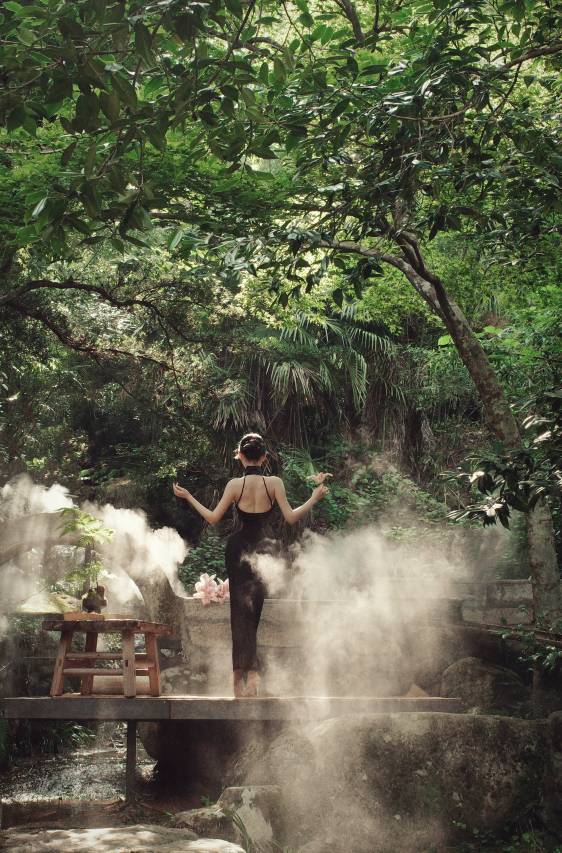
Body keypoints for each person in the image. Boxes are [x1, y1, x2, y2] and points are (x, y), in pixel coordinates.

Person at [172, 433, 330, 698]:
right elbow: (291, 517)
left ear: (240, 456)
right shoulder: (274, 483)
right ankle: (253, 676)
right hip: (265, 548)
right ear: (265, 457)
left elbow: (212, 518)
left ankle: (238, 679)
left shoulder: (235, 485)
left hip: (238, 548)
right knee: (254, 611)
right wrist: (314, 498)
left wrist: (188, 496)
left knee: (239, 612)